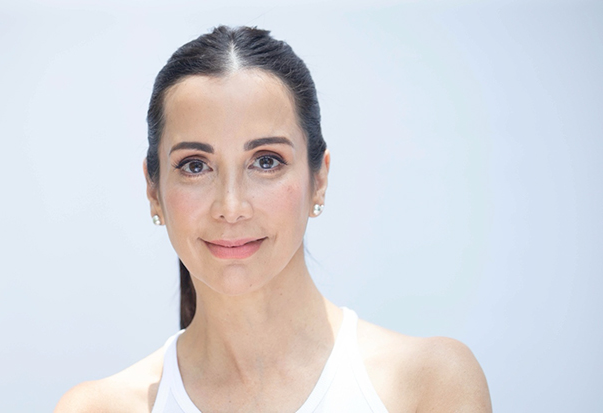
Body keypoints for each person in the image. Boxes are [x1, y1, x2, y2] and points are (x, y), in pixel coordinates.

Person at [55, 25, 491, 412]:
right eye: (195, 166)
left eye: (266, 161)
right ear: (153, 191)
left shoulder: (428, 386)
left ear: (319, 178)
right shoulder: (97, 409)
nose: (231, 206)